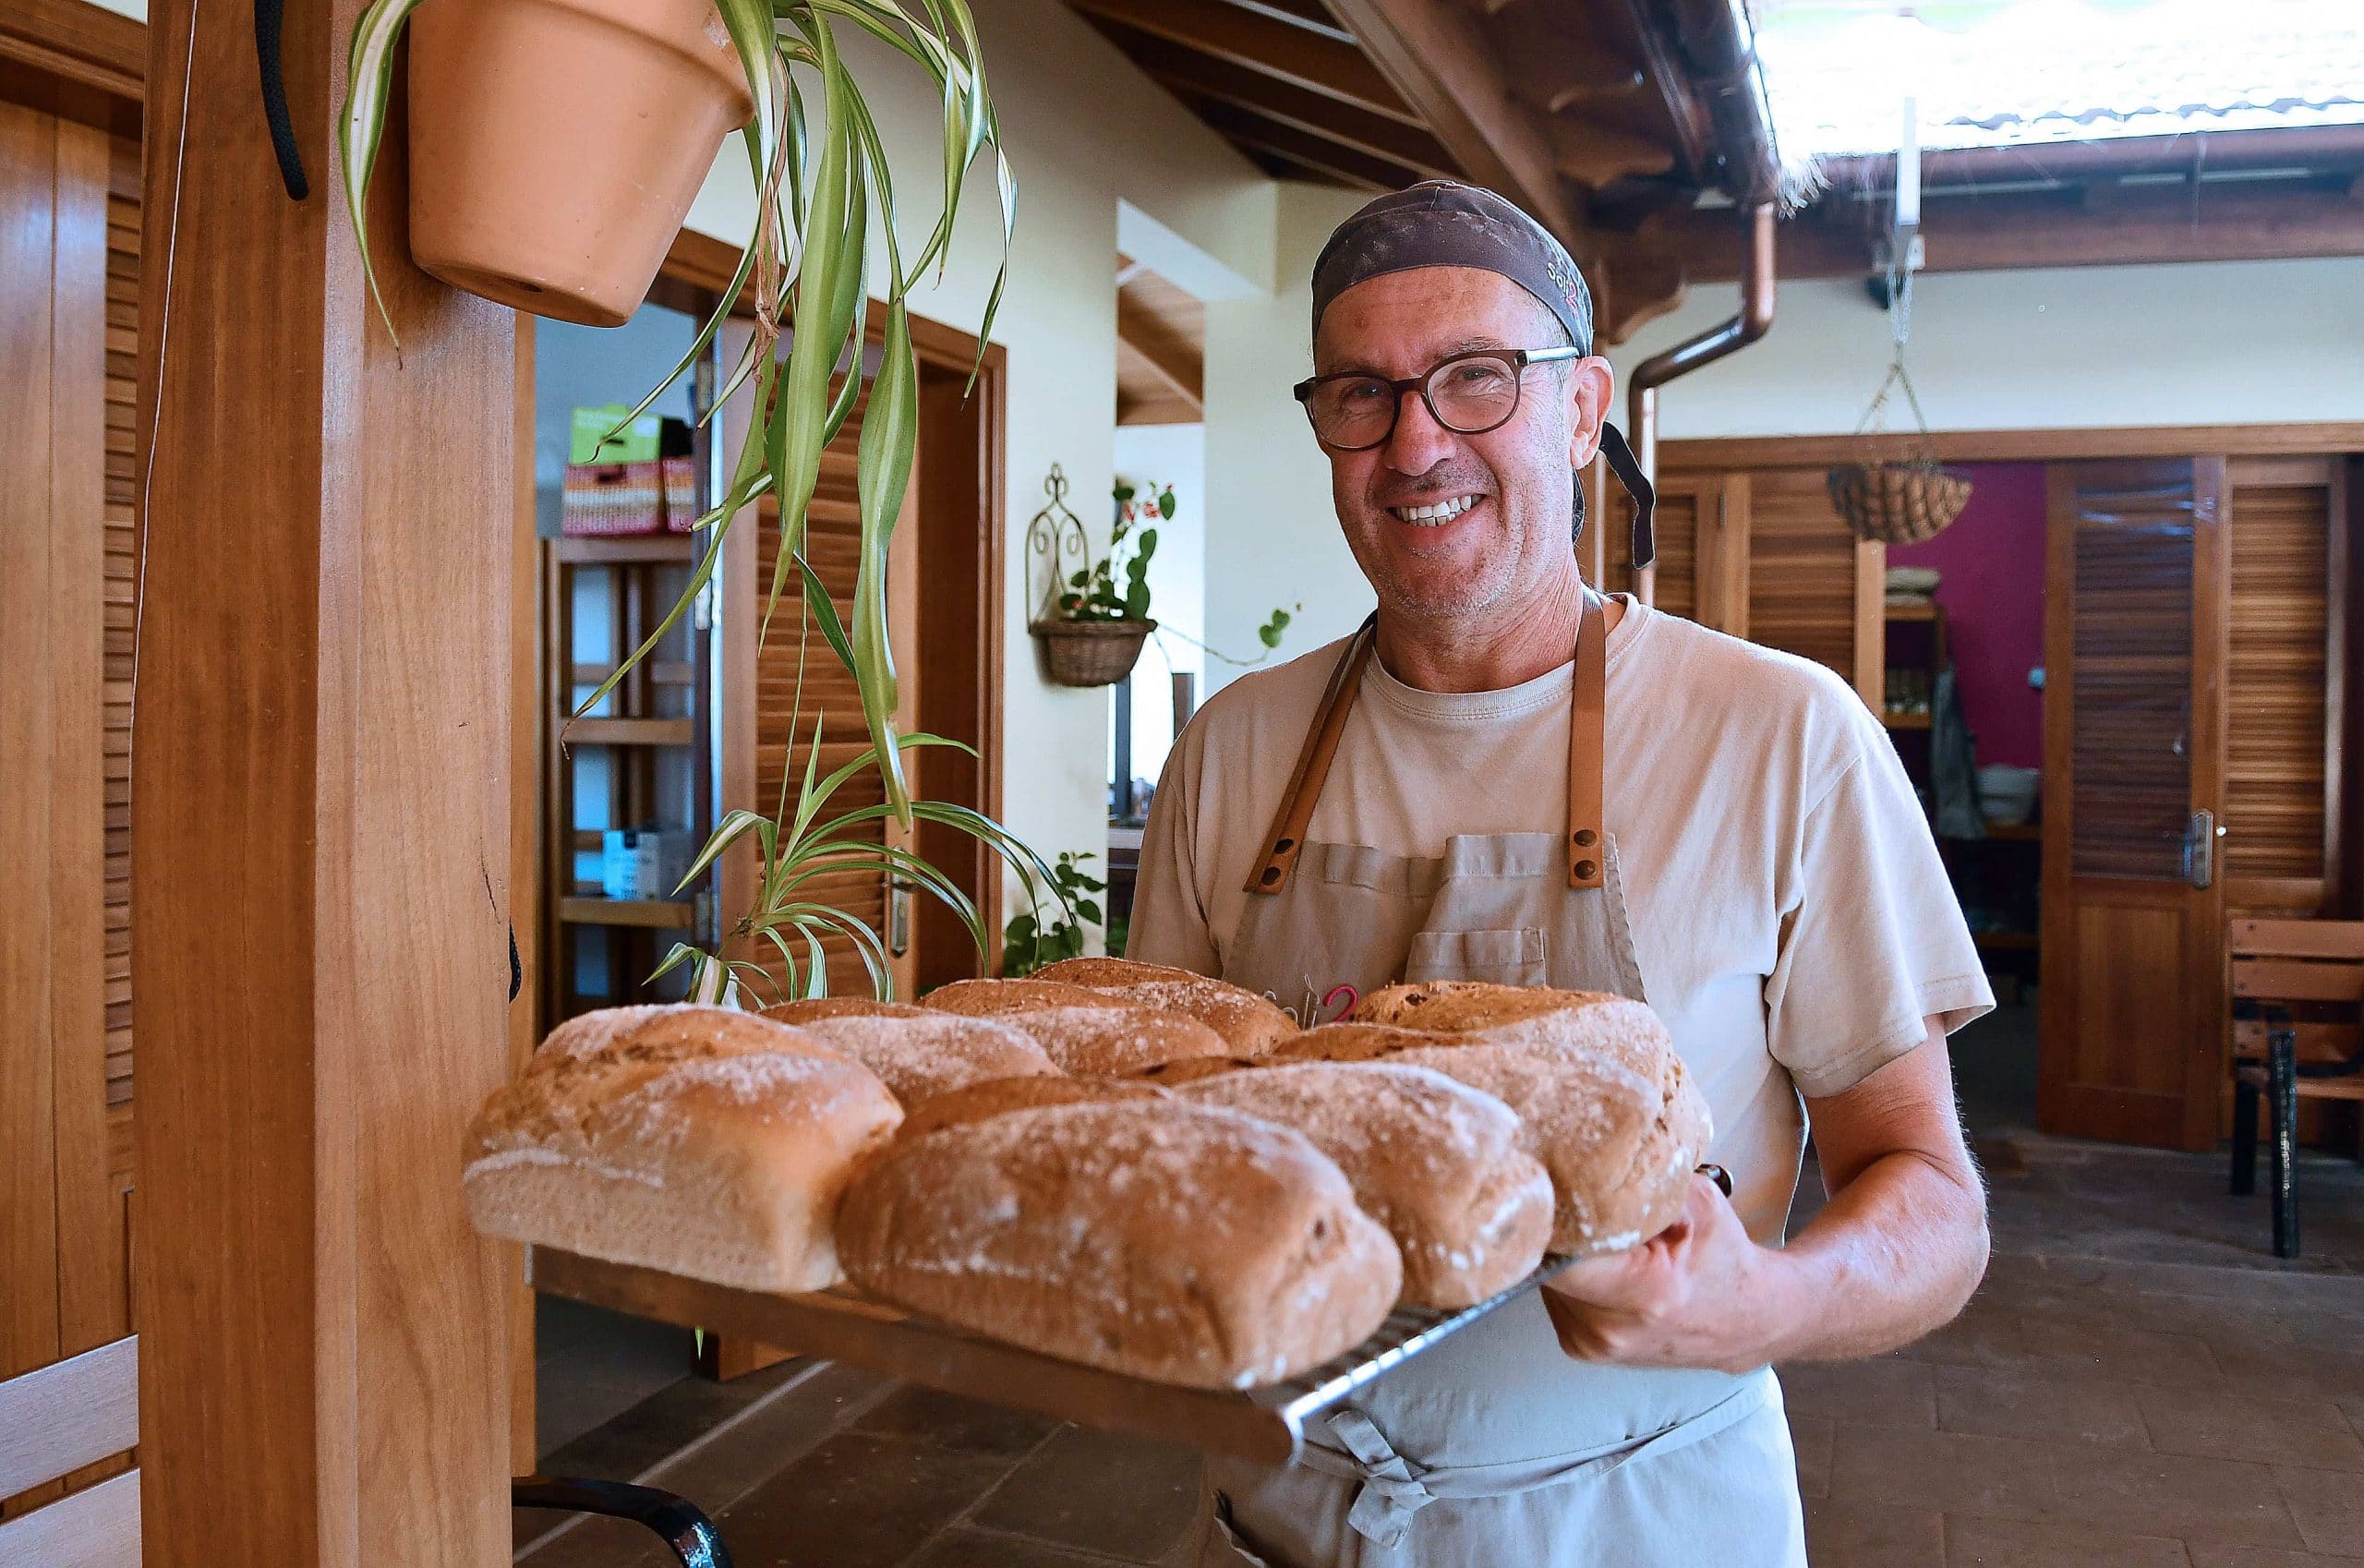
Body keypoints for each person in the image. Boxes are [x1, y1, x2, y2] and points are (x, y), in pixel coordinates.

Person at [1127, 181, 1993, 1566]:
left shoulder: (1780, 735)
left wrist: (1768, 1301)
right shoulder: (1233, 747)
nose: (1416, 443)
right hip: (1286, 1515)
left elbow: (1930, 1195)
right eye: (1361, 394)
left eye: (1476, 377)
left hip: (1636, 1519)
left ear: (1583, 410)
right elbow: (1158, 1112)